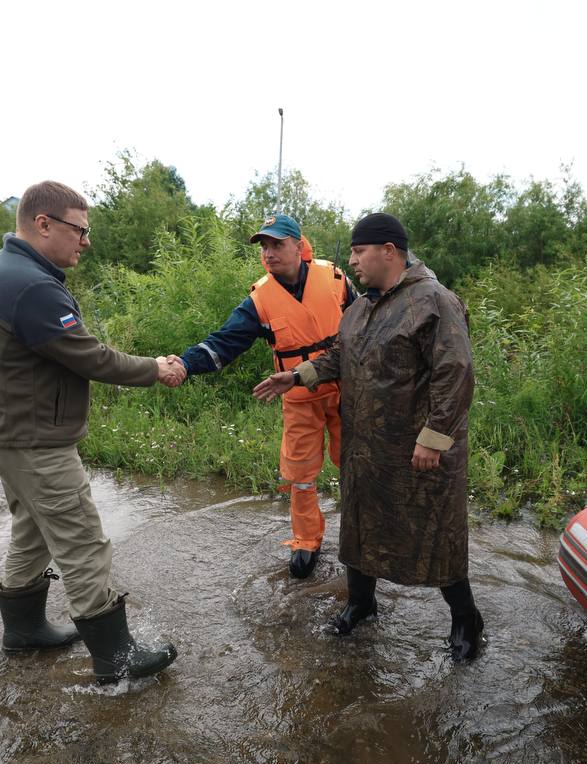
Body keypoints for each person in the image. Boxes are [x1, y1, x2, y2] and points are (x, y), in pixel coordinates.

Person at [0, 179, 181, 685]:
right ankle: (117, 657)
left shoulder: (8, 268)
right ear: (43, 224)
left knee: (33, 531)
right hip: (35, 439)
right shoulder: (32, 286)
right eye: (79, 230)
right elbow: (91, 356)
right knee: (81, 540)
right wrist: (155, 368)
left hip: (9, 430)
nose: (85, 241)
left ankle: (23, 632)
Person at [253, 213, 484, 662]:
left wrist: (434, 437)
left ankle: (466, 618)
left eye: (359, 252)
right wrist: (298, 375)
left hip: (419, 452)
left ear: (389, 251)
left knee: (436, 533)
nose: (352, 261)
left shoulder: (434, 302)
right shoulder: (360, 308)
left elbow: (456, 374)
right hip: (365, 449)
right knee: (359, 528)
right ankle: (361, 603)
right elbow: (341, 355)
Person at [176, 214, 355, 579]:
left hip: (347, 390)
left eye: (277, 244)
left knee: (355, 463)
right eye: (264, 246)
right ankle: (307, 541)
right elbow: (223, 343)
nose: (269, 253)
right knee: (302, 475)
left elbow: (367, 325)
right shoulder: (260, 299)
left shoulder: (335, 279)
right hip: (299, 398)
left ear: (298, 245)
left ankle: (362, 532)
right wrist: (183, 364)